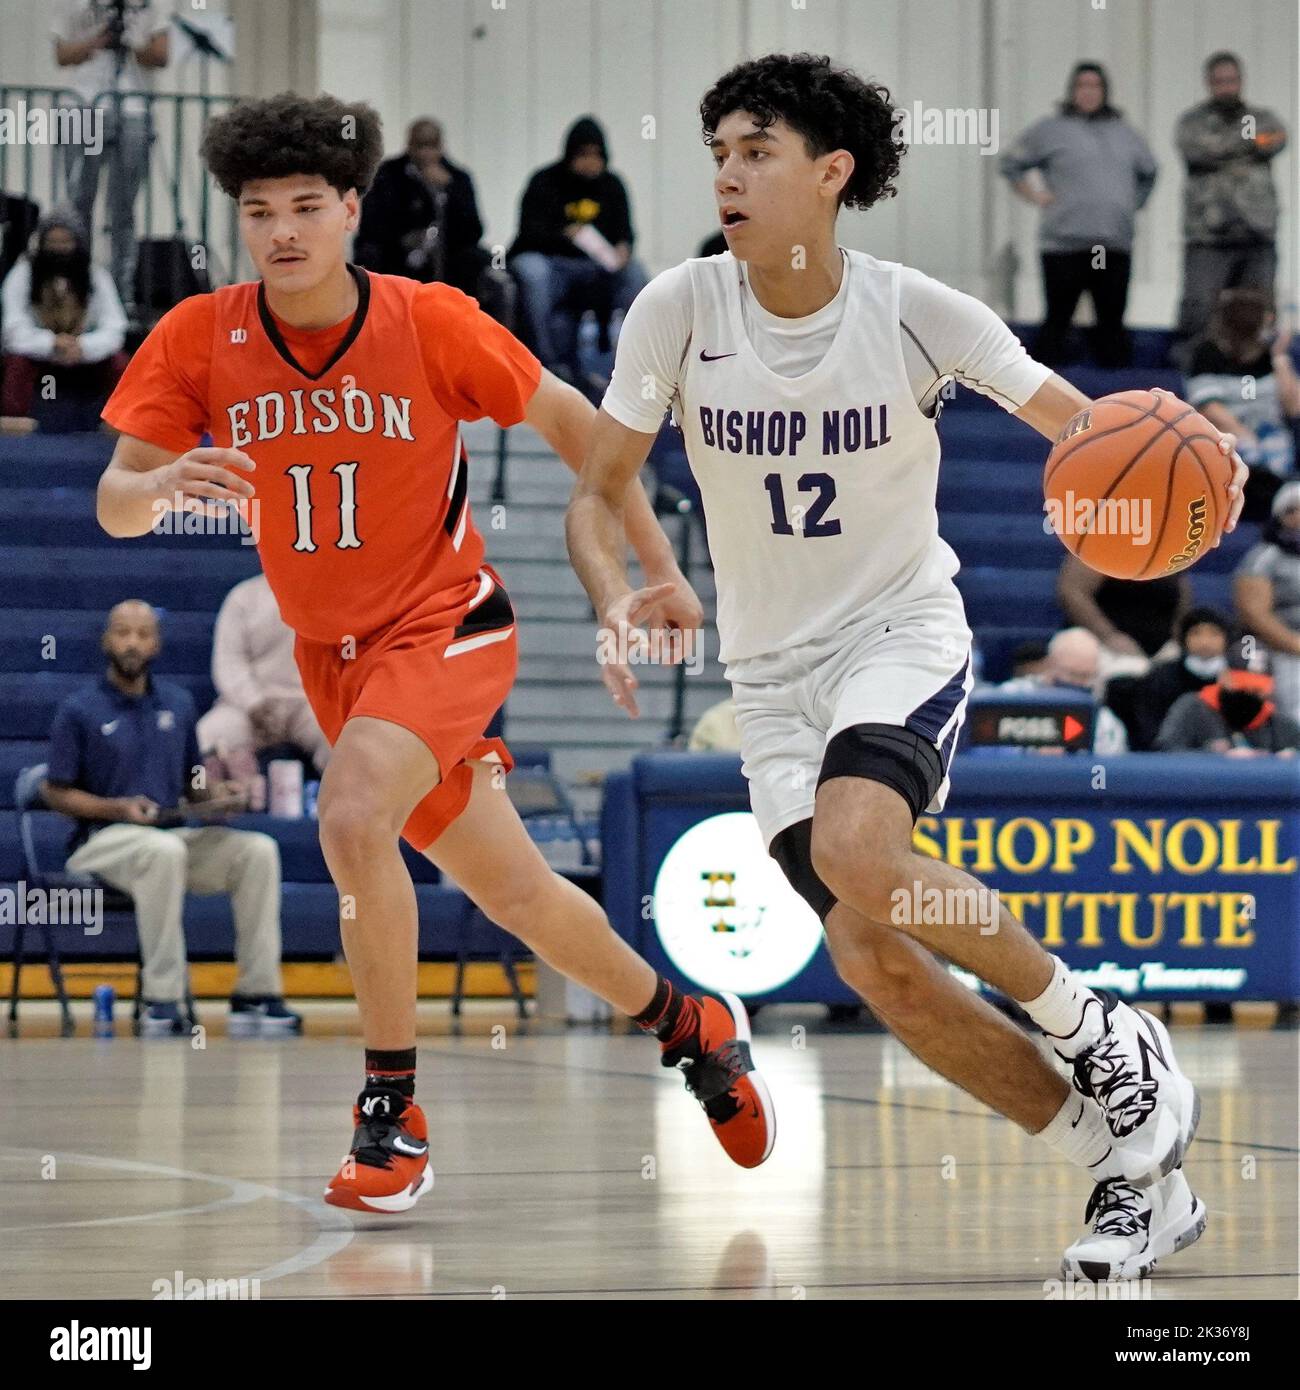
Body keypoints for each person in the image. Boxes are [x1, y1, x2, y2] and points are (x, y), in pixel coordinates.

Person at [566, 53, 1249, 1282]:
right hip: (770, 678)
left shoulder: (913, 309)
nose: (726, 170)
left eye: (756, 149)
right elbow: (598, 490)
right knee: (874, 958)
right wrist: (628, 591)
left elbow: (1091, 435)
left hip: (897, 632)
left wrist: (1200, 458)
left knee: (858, 849)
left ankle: (1096, 1025)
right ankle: (1127, 1175)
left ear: (831, 173)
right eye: (718, 149)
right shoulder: (675, 308)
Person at [94, 93, 773, 1212]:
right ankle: (688, 1023)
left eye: (307, 206)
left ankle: (390, 1112)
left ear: (353, 208)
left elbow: (582, 434)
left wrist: (655, 567)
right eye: (260, 212)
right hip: (335, 658)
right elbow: (115, 501)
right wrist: (153, 486)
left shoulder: (431, 319)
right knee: (520, 895)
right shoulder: (200, 336)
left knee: (352, 810)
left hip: (449, 623)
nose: (282, 233)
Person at [41, 600, 300, 1038]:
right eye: (123, 632)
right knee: (163, 852)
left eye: (143, 634)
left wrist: (220, 796)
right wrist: (117, 808)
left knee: (258, 851)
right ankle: (162, 1001)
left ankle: (255, 994)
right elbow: (54, 790)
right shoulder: (79, 710)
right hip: (101, 842)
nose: (132, 642)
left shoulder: (178, 705)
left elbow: (193, 783)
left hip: (169, 839)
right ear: (107, 640)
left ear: (156, 644)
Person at [1001, 62, 1157, 368]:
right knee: (1057, 322)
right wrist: (1034, 195)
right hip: (1063, 244)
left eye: (1095, 86)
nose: (1088, 92)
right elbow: (1011, 164)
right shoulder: (1049, 130)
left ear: (1105, 91)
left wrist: (1129, 204)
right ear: (1072, 91)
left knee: (1112, 325)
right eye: (1082, 86)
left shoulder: (1126, 133)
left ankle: (1116, 402)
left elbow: (1150, 173)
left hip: (1113, 244)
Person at [508, 116, 647, 384]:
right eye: (583, 154)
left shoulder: (612, 185)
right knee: (531, 270)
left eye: (596, 155)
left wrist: (623, 249)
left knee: (636, 273)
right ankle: (543, 361)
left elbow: (625, 232)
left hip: (597, 268)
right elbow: (527, 232)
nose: (590, 162)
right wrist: (564, 234)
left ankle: (637, 364)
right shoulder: (545, 181)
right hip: (553, 263)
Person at [52, 0, 171, 307]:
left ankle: (121, 296)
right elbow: (63, 54)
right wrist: (100, 38)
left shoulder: (150, 5)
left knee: (123, 211)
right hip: (82, 107)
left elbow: (160, 55)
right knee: (78, 205)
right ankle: (79, 289)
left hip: (133, 110)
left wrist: (131, 39)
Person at [1172, 52, 1288, 368]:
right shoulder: (1191, 121)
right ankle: (1192, 375)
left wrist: (1224, 148)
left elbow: (1275, 138)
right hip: (1208, 234)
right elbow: (1196, 148)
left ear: (1241, 81)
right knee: (1199, 309)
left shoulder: (1261, 118)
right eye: (1220, 81)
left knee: (1259, 309)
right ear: (1209, 83)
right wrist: (1247, 147)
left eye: (1232, 80)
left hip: (1257, 232)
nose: (1226, 87)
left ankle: (1256, 376)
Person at [353, 118, 513, 326]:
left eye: (431, 146)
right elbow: (370, 226)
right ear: (409, 145)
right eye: (419, 146)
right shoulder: (387, 174)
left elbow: (474, 230)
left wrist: (449, 190)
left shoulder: (457, 177)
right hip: (397, 251)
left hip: (448, 254)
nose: (425, 153)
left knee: (479, 261)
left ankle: (472, 327)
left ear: (441, 146)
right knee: (370, 254)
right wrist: (404, 238)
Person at [198, 573, 331, 790]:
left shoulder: (330, 595)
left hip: (310, 704)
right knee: (205, 735)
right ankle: (201, 801)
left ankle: (351, 814)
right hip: (251, 705)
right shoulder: (244, 597)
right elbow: (229, 661)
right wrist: (254, 704)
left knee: (346, 740)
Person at [1, 209, 127, 419]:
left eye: (65, 242)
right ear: (41, 243)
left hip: (85, 355)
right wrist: (51, 344)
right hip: (39, 354)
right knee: (16, 365)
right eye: (53, 242)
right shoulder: (22, 275)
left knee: (120, 363)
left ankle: (122, 423)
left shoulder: (97, 276)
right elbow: (13, 329)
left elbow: (115, 327)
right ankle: (14, 428)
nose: (59, 249)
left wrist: (83, 347)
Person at [1185, 290, 1299, 520]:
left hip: (1271, 436)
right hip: (1226, 437)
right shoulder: (1208, 353)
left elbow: (1294, 407)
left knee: (1277, 455)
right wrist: (1245, 436)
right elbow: (1207, 406)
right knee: (1246, 454)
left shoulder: (1273, 357)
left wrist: (1279, 358)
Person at [1106, 607, 1231, 751]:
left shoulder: (1237, 680)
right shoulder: (1162, 677)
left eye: (1214, 634)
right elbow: (1149, 729)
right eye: (1196, 633)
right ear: (1184, 638)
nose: (1205, 642)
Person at [1056, 552, 1190, 679]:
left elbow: (1182, 599)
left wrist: (1178, 639)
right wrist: (1109, 636)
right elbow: (1073, 592)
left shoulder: (1169, 546)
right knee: (1130, 671)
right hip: (1101, 647)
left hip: (1161, 650)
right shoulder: (1100, 544)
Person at [1155, 636, 1299, 753]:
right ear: (1224, 677)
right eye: (1242, 685)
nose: (1248, 693)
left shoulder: (1275, 721)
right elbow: (1165, 750)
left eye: (1256, 689)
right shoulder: (1193, 707)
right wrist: (1211, 756)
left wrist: (1283, 760)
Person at [1000, 627, 1127, 754]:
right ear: (1049, 666)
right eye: (1072, 674)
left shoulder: (1105, 724)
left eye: (1087, 676)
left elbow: (1103, 771)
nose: (1080, 683)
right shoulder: (1011, 697)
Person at [1234, 479, 1300, 725]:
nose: (1298, 516)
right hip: (1280, 647)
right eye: (1291, 510)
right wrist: (1295, 644)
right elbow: (1254, 614)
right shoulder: (1264, 557)